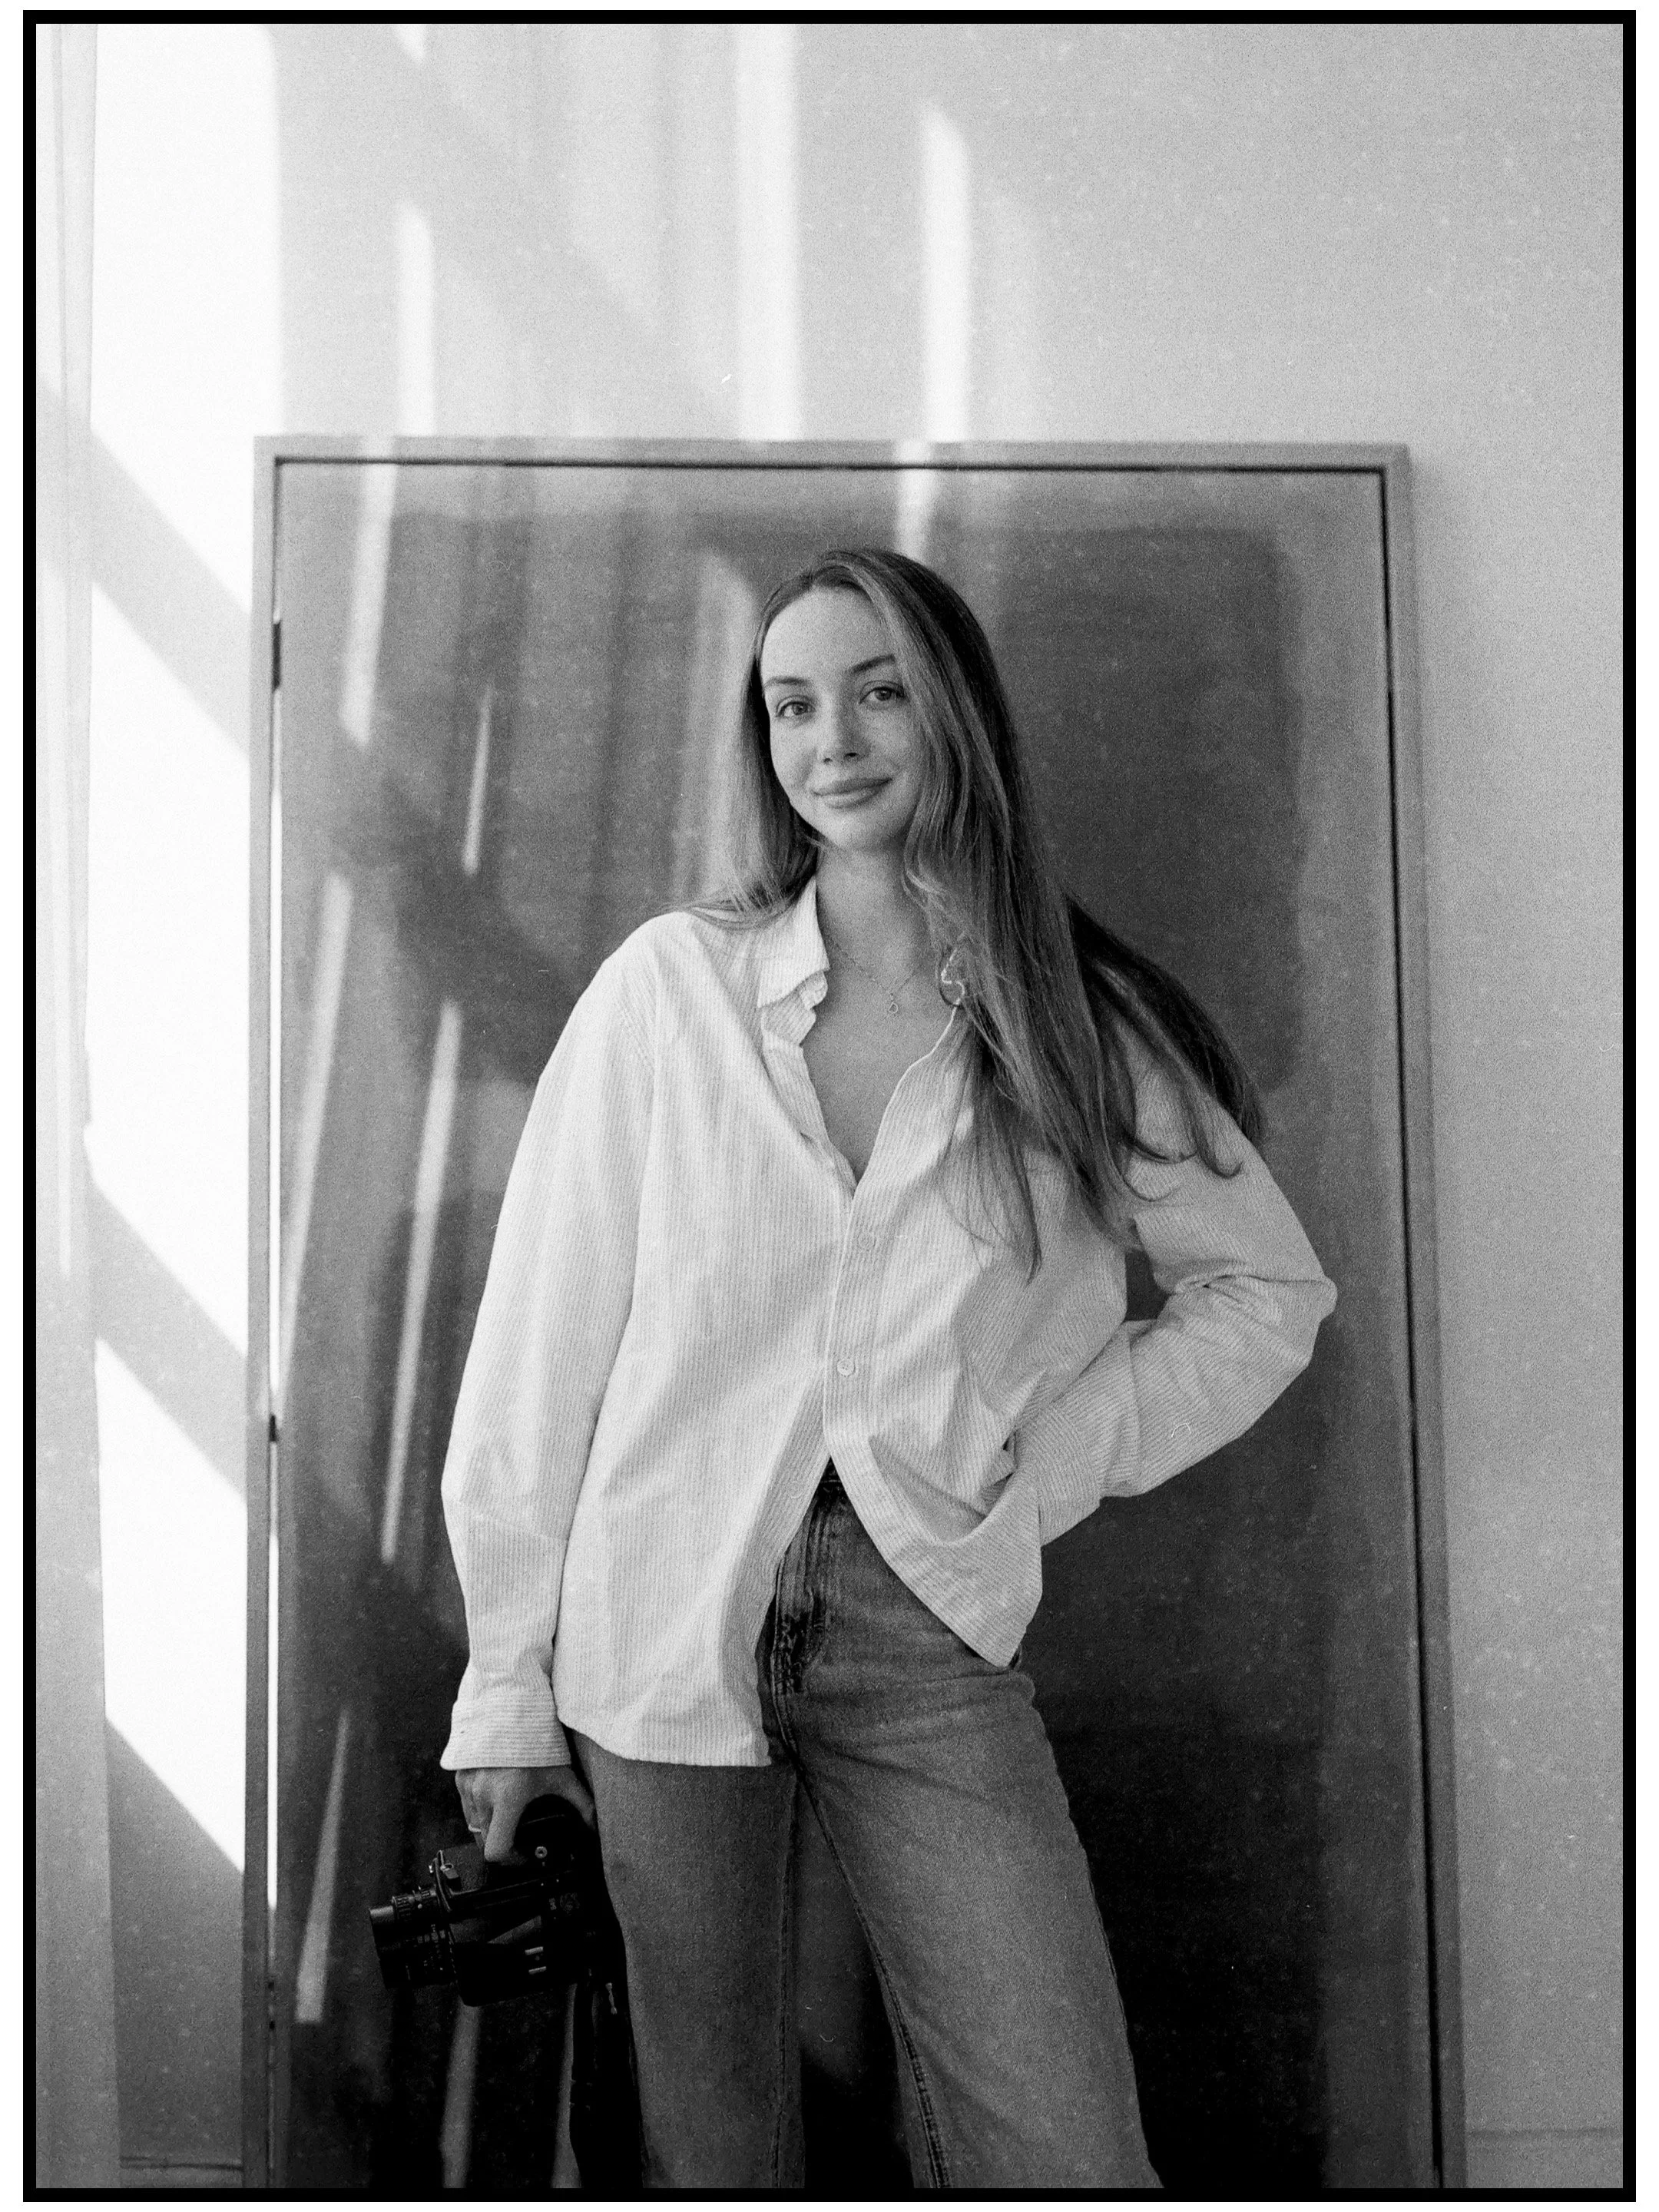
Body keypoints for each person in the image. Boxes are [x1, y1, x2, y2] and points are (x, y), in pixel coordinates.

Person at [439, 547, 1336, 2189]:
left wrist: (1039, 1462)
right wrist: (506, 1685)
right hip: (656, 1619)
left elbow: (1265, 1291)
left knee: (1062, 2145)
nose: (832, 739)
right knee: (718, 2150)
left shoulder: (1076, 1020)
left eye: (877, 691)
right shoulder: (670, 994)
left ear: (956, 716)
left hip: (926, 1616)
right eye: (792, 703)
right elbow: (538, 1349)